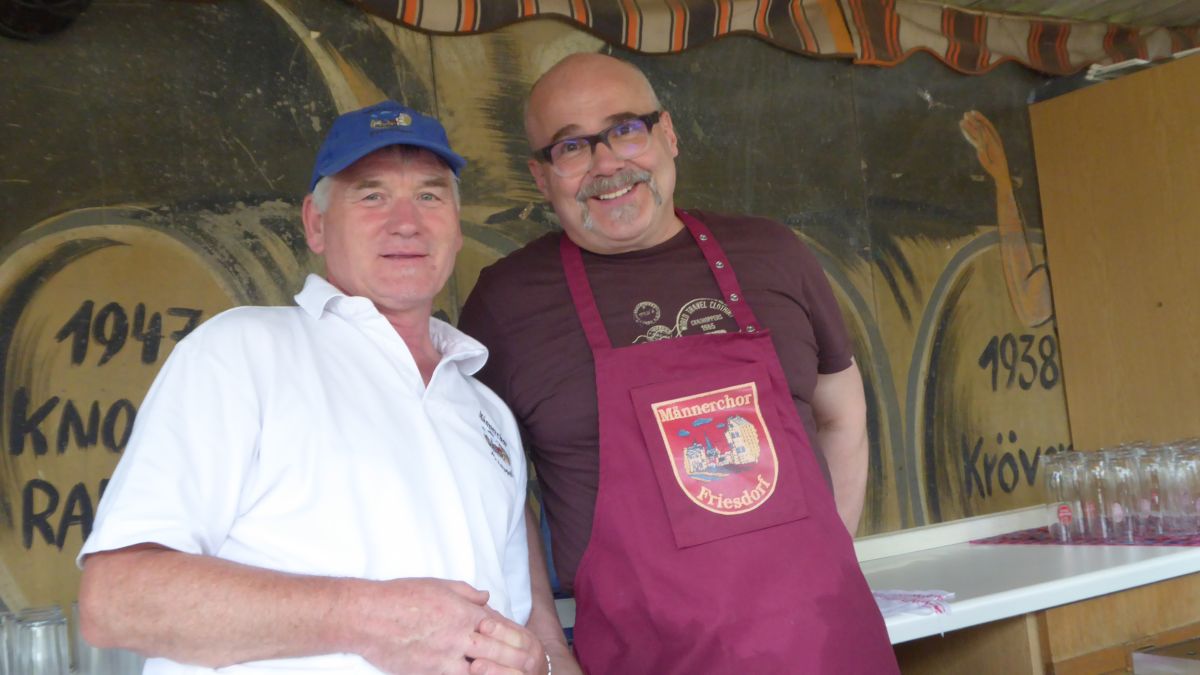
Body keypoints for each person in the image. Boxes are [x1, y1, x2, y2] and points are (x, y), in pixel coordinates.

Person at [76, 100, 568, 675]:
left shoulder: (486, 410)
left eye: (430, 196)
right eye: (372, 195)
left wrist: (536, 663)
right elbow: (118, 601)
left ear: (456, 229)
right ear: (315, 223)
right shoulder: (241, 351)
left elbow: (529, 629)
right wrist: (372, 620)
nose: (406, 221)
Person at [458, 54, 899, 673]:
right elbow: (490, 493)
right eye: (572, 147)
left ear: (667, 134)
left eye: (625, 129)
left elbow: (844, 415)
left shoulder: (773, 253)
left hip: (826, 645)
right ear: (541, 176)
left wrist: (830, 563)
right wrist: (549, 645)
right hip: (645, 658)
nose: (607, 164)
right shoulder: (507, 303)